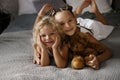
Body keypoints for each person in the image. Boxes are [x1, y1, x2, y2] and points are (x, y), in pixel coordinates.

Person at [51, 0, 112, 69]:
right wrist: (53, 48)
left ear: (75, 20)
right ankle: (77, 10)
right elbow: (62, 65)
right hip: (75, 26)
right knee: (67, 17)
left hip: (89, 27)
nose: (67, 25)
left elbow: (108, 51)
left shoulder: (86, 35)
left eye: (70, 20)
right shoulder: (60, 38)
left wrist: (98, 59)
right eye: (61, 24)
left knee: (104, 25)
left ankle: (95, 11)